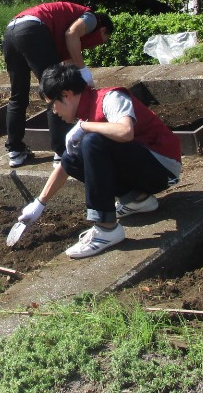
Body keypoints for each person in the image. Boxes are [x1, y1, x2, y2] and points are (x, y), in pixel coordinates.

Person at [15, 64, 181, 258]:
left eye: (52, 105)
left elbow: (125, 132)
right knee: (72, 156)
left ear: (67, 95)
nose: (53, 112)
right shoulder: (88, 110)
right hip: (143, 168)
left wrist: (85, 127)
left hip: (162, 168)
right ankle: (137, 199)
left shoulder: (111, 98)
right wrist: (40, 203)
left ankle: (106, 228)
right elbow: (66, 164)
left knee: (92, 141)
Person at [2, 2, 113, 167]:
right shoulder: (91, 18)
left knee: (18, 94)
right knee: (55, 92)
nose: (98, 45)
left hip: (11, 32)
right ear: (103, 30)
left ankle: (15, 151)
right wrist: (83, 70)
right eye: (103, 41)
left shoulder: (63, 27)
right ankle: (62, 152)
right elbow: (71, 34)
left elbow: (67, 63)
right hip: (33, 29)